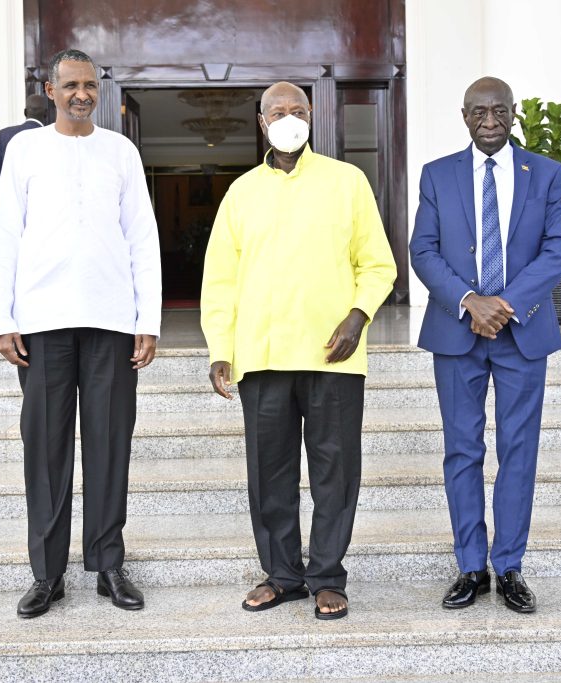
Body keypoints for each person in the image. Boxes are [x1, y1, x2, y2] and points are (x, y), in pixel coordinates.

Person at [201, 81, 397, 621]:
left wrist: (359, 317)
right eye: (278, 112)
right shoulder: (241, 192)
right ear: (262, 123)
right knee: (270, 473)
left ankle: (328, 576)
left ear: (312, 117)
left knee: (335, 470)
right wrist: (222, 348)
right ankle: (283, 575)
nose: (289, 118)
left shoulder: (347, 182)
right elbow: (219, 280)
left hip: (332, 355)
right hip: (261, 358)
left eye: (298, 110)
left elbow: (377, 264)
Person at [0, 48, 162, 619]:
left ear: (99, 89)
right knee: (45, 450)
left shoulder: (121, 151)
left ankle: (108, 565)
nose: (81, 94)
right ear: (50, 87)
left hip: (112, 321)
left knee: (111, 445)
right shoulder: (24, 149)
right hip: (41, 324)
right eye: (70, 85)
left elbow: (143, 237)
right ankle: (47, 574)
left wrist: (148, 320)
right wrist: (2, 319)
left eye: (89, 85)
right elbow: (5, 235)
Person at [409, 77, 561, 614]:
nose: (489, 119)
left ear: (513, 115)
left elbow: (557, 249)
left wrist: (504, 304)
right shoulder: (437, 175)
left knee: (518, 452)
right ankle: (470, 566)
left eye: (499, 110)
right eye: (479, 111)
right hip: (457, 333)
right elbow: (424, 250)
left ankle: (509, 567)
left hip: (521, 333)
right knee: (462, 451)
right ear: (463, 115)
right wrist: (469, 300)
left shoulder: (544, 173)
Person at [0, 94, 48, 215]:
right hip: (41, 211)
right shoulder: (50, 137)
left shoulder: (5, 135)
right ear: (46, 114)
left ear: (25, 112)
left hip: (10, 210)